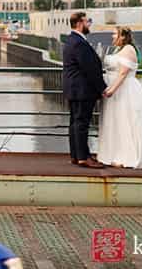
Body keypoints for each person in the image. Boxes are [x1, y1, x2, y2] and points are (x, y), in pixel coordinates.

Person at [96, 28, 142, 169]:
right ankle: (113, 154)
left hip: (125, 90)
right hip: (116, 90)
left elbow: (123, 74)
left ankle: (127, 157)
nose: (112, 35)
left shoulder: (129, 50)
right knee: (115, 122)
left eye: (115, 33)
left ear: (123, 36)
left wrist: (111, 90)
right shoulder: (119, 49)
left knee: (126, 121)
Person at [62, 12, 106, 168]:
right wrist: (102, 88)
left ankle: (76, 155)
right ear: (80, 23)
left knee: (75, 122)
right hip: (82, 89)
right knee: (81, 123)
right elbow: (89, 68)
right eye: (88, 21)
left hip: (73, 88)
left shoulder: (71, 40)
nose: (89, 25)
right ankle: (83, 157)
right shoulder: (79, 42)